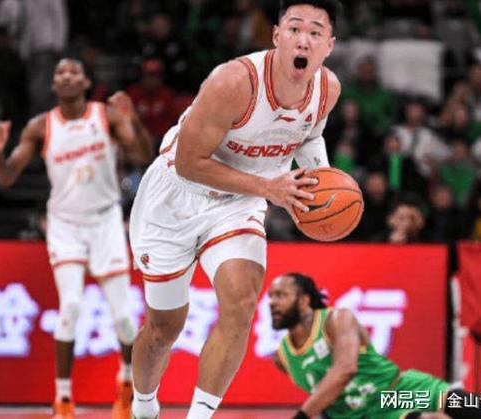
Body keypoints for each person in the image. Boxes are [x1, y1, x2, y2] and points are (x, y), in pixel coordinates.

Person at [128, 1, 343, 418]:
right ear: (276, 35)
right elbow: (190, 163)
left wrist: (321, 185)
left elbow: (308, 135)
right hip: (177, 196)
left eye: (315, 32)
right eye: (295, 28)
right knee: (163, 329)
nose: (304, 39)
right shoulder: (232, 82)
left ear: (328, 46)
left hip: (240, 203)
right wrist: (269, 187)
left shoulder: (327, 90)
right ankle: (144, 406)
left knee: (241, 303)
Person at [0, 58, 152, 419]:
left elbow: (143, 154)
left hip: (105, 220)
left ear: (85, 82)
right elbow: (6, 178)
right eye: (60, 73)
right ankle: (63, 397)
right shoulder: (40, 126)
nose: (66, 76)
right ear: (53, 85)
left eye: (73, 72)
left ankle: (126, 383)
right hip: (65, 224)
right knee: (71, 306)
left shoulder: (106, 116)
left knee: (124, 317)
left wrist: (135, 120)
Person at [268, 272, 481, 419]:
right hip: (367, 417)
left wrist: (303, 415)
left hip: (393, 393)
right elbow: (325, 397)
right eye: (270, 297)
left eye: (280, 295)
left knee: (470, 409)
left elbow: (345, 369)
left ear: (304, 301)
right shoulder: (283, 357)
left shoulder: (336, 319)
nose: (272, 303)